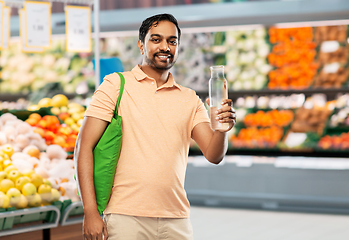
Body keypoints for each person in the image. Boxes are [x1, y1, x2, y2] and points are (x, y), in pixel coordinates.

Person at [75, 13, 236, 240]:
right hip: (125, 218)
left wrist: (221, 129)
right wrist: (90, 211)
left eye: (172, 41)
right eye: (156, 39)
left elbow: (214, 154)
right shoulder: (115, 85)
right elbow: (83, 147)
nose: (165, 47)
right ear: (141, 44)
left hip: (176, 219)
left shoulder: (189, 99)